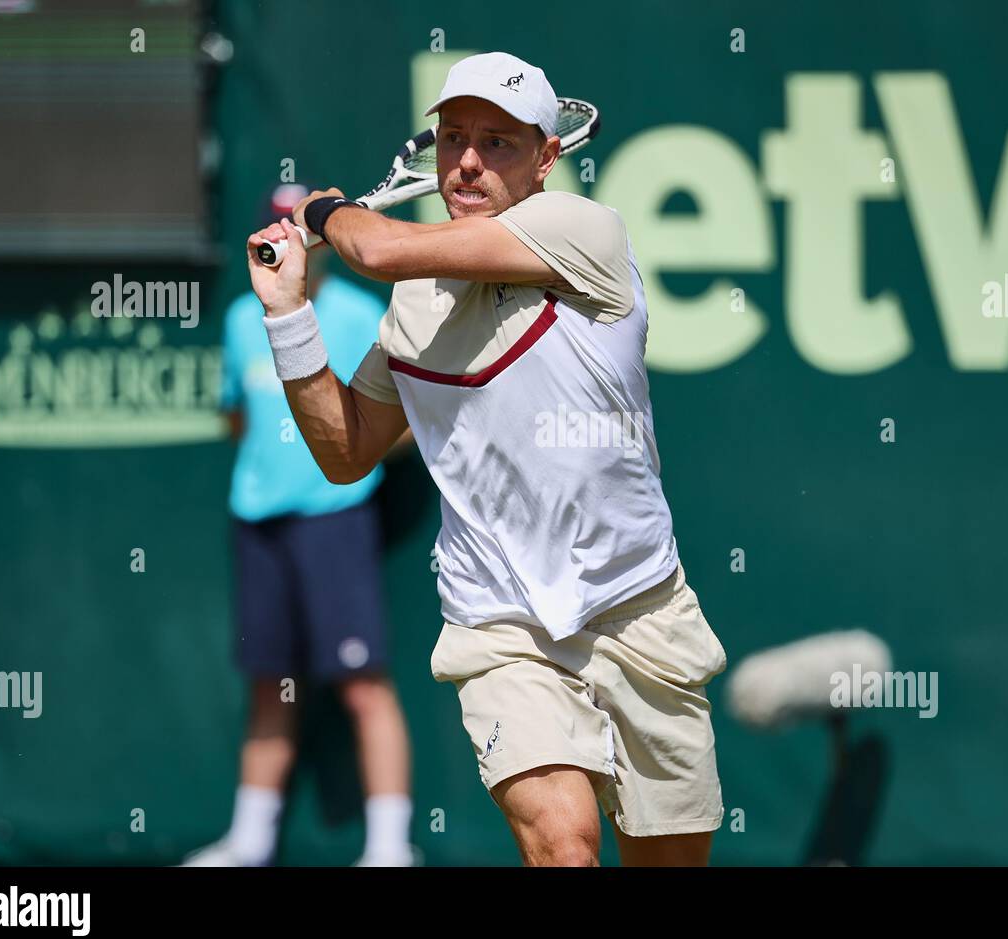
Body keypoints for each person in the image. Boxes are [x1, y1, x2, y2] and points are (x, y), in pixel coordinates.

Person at [246, 53, 727, 867]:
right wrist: (291, 316)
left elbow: (382, 249)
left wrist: (325, 210)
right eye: (454, 138)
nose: (467, 160)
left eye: (498, 143)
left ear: (546, 158)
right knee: (564, 845)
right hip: (500, 622)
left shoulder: (584, 230)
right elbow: (344, 450)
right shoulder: (416, 306)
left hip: (639, 606)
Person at [184, 185, 416, 867]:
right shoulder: (237, 318)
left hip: (334, 523)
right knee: (269, 683)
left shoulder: (362, 314)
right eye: (277, 230)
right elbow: (238, 417)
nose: (290, 243)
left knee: (364, 684)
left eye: (300, 230)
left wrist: (351, 454)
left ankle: (389, 850)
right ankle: (249, 843)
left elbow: (401, 420)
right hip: (259, 522)